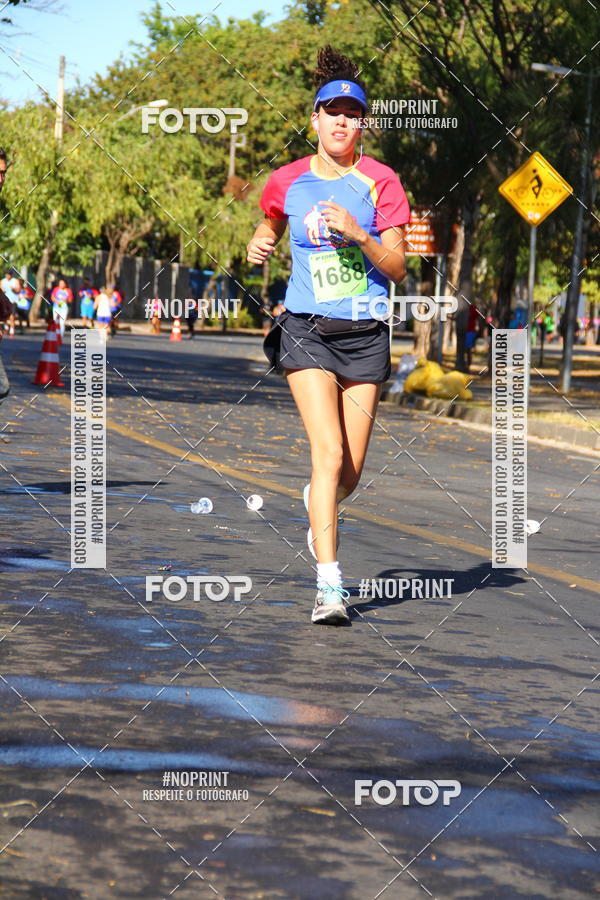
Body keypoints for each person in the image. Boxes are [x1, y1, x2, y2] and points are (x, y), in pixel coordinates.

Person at [248, 45, 409, 625]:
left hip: (365, 333)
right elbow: (269, 222)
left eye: (352, 113)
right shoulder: (287, 180)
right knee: (329, 451)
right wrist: (258, 243)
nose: (342, 121)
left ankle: (319, 505)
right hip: (306, 329)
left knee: (350, 474)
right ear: (313, 119)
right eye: (331, 111)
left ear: (362, 123)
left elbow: (396, 268)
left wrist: (359, 235)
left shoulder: (381, 183)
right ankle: (330, 588)